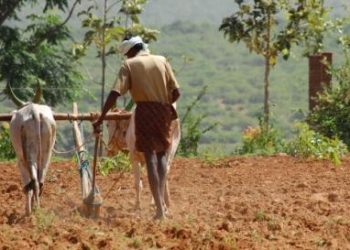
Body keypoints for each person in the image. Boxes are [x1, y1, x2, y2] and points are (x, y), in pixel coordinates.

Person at [93, 36, 180, 220]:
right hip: (165, 110)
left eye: (126, 55)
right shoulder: (162, 60)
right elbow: (176, 92)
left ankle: (158, 209)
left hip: (145, 112)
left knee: (149, 158)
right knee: (162, 155)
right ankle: (161, 205)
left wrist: (101, 117)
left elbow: (115, 93)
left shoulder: (129, 65)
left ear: (131, 51)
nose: (126, 58)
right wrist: (164, 106)